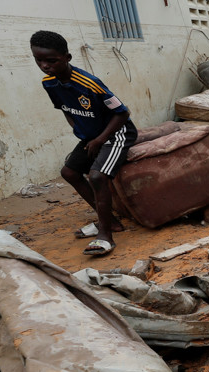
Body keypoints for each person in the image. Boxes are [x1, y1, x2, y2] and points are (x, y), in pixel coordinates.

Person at [30, 30, 137, 256]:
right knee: (69, 172)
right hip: (91, 136)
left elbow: (122, 113)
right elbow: (64, 109)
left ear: (67, 58)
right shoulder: (49, 83)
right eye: (39, 60)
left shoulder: (89, 83)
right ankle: (110, 221)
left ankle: (105, 236)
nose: (45, 66)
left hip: (117, 133)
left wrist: (99, 139)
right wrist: (79, 130)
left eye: (51, 61)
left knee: (97, 176)